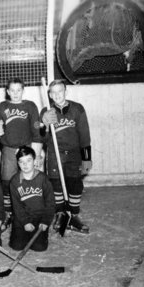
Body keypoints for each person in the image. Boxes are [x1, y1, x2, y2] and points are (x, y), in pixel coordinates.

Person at [0, 78, 43, 232]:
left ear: (23, 90)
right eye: (12, 90)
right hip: (8, 149)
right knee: (6, 182)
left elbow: (36, 132)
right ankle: (8, 213)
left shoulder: (30, 106)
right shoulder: (2, 106)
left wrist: (37, 155)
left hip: (25, 150)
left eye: (18, 90)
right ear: (7, 92)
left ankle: (26, 212)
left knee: (26, 182)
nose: (15, 93)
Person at [40, 79, 92, 234]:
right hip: (55, 154)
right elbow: (40, 135)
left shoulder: (77, 109)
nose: (57, 95)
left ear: (65, 91)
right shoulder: (46, 111)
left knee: (75, 184)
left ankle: (74, 216)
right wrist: (43, 125)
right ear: (49, 94)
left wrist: (87, 158)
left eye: (60, 91)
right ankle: (61, 215)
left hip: (74, 154)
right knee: (56, 186)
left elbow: (84, 135)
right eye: (53, 92)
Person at [9, 146, 55, 252]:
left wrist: (46, 221)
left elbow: (50, 203)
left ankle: (40, 236)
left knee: (39, 248)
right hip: (22, 218)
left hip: (39, 218)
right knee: (17, 247)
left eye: (28, 160)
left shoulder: (43, 179)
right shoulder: (14, 181)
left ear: (34, 161)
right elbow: (17, 206)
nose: (25, 165)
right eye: (21, 162)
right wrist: (25, 222)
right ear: (18, 163)